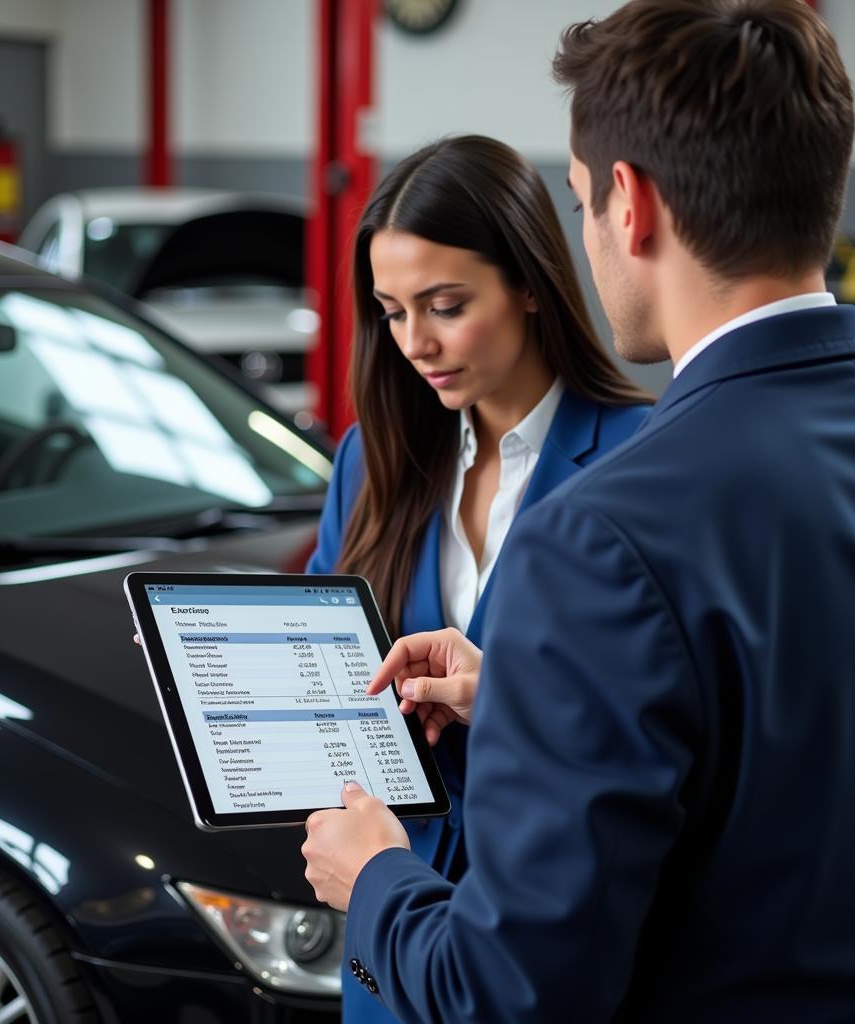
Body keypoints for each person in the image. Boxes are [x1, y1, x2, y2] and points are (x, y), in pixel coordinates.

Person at [302, 2, 855, 1021]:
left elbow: (510, 998)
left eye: (583, 200)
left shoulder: (599, 530)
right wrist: (525, 706)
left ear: (628, 205)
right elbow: (801, 766)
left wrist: (375, 878)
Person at [304, 134, 651, 1022]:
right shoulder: (371, 461)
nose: (416, 343)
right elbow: (329, 681)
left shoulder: (643, 465)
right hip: (390, 942)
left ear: (530, 284)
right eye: (390, 311)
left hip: (548, 955)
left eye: (445, 305)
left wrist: (505, 696)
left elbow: (668, 734)